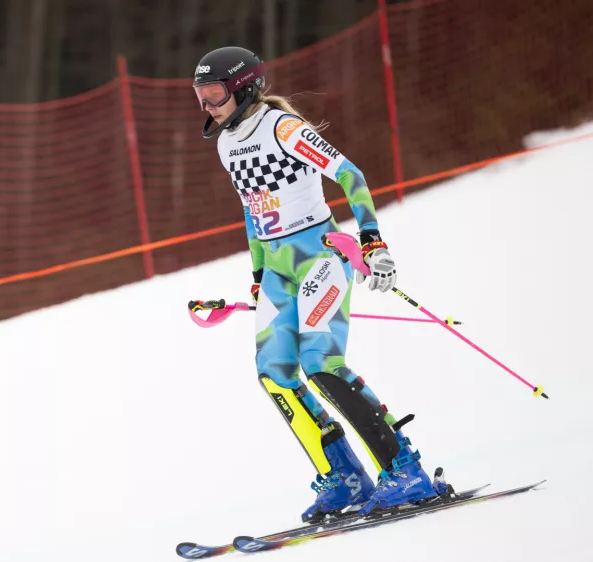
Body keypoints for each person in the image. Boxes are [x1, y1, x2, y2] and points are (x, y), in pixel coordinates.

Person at [191, 46, 446, 521]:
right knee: (275, 373)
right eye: (200, 95)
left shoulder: (282, 128)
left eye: (215, 94)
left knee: (321, 364)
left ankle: (404, 470)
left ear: (244, 88)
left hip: (319, 257)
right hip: (278, 269)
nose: (207, 105)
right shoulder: (226, 144)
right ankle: (344, 477)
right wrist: (258, 277)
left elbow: (351, 175)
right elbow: (253, 211)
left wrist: (372, 240)